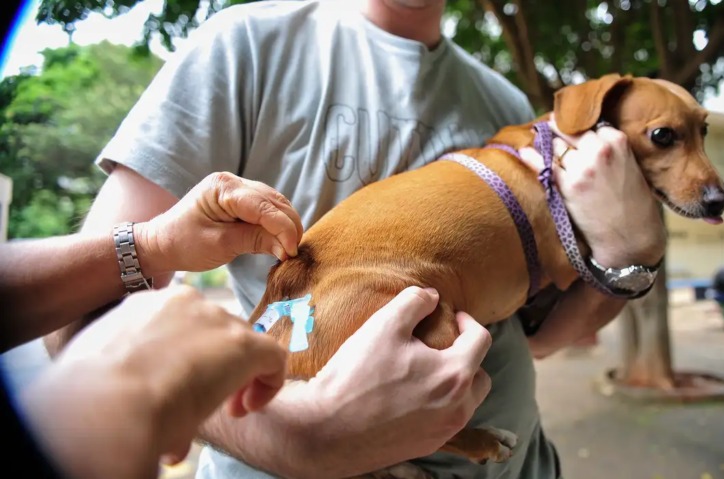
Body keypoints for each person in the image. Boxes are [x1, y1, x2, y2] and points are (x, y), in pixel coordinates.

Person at [45, 0, 666, 477]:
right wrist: (295, 436)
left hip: (517, 462)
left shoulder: (504, 104)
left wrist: (634, 256)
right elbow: (80, 316)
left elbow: (546, 338)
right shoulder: (245, 46)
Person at [0, 175, 461, 479]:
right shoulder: (230, 52)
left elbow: (536, 340)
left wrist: (153, 243)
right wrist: (299, 439)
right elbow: (74, 328)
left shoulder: (503, 103)